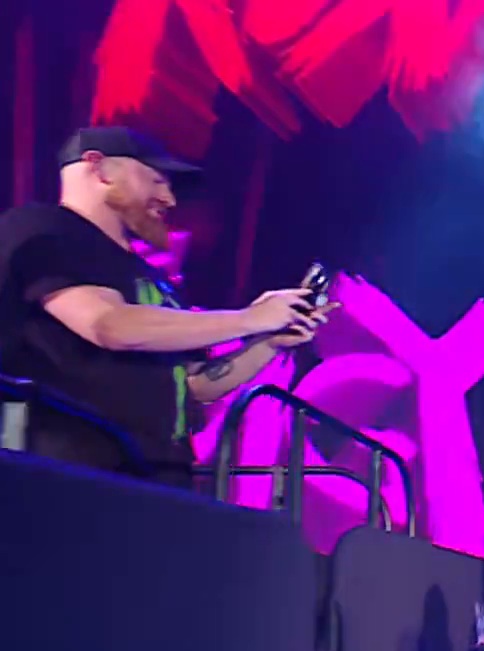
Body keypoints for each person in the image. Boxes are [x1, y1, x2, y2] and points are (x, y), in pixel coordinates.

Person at [0, 126, 328, 484]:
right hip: (74, 470)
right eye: (156, 180)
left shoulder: (153, 279)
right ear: (100, 168)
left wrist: (270, 340)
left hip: (160, 473)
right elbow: (109, 325)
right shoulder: (44, 228)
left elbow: (195, 384)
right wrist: (250, 317)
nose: (169, 199)